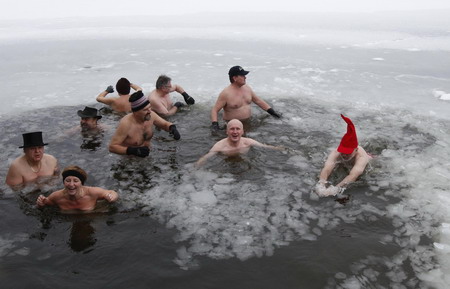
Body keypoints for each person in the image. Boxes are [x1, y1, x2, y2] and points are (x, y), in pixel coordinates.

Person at [109, 90, 181, 157]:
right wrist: (133, 151)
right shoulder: (126, 124)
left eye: (149, 107)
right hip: (131, 161)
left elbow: (165, 124)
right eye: (145, 110)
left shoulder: (151, 115)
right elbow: (112, 147)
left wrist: (172, 128)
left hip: (148, 155)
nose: (149, 111)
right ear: (136, 112)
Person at [316, 114, 373, 197]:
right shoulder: (336, 152)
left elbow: (353, 176)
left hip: (367, 159)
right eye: (343, 151)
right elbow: (327, 169)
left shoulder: (361, 158)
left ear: (356, 150)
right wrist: (321, 185)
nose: (344, 154)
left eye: (348, 152)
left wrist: (334, 189)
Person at [210, 65, 281, 132]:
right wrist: (215, 125)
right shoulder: (226, 93)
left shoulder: (247, 88)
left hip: (248, 122)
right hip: (233, 126)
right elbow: (215, 110)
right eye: (242, 75)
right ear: (234, 78)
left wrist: (272, 112)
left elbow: (258, 101)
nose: (245, 77)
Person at [196, 119, 282, 167]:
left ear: (242, 132)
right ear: (227, 132)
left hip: (243, 161)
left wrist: (282, 149)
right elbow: (205, 157)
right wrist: (196, 167)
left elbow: (266, 147)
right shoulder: (220, 146)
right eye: (232, 129)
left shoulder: (248, 142)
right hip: (226, 164)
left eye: (238, 129)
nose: (235, 131)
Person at [36, 166, 118, 211]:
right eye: (68, 180)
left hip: (93, 217)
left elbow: (112, 192)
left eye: (75, 181)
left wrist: (112, 197)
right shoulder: (56, 196)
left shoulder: (92, 192)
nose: (71, 184)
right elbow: (45, 204)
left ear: (81, 183)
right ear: (64, 182)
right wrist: (41, 204)